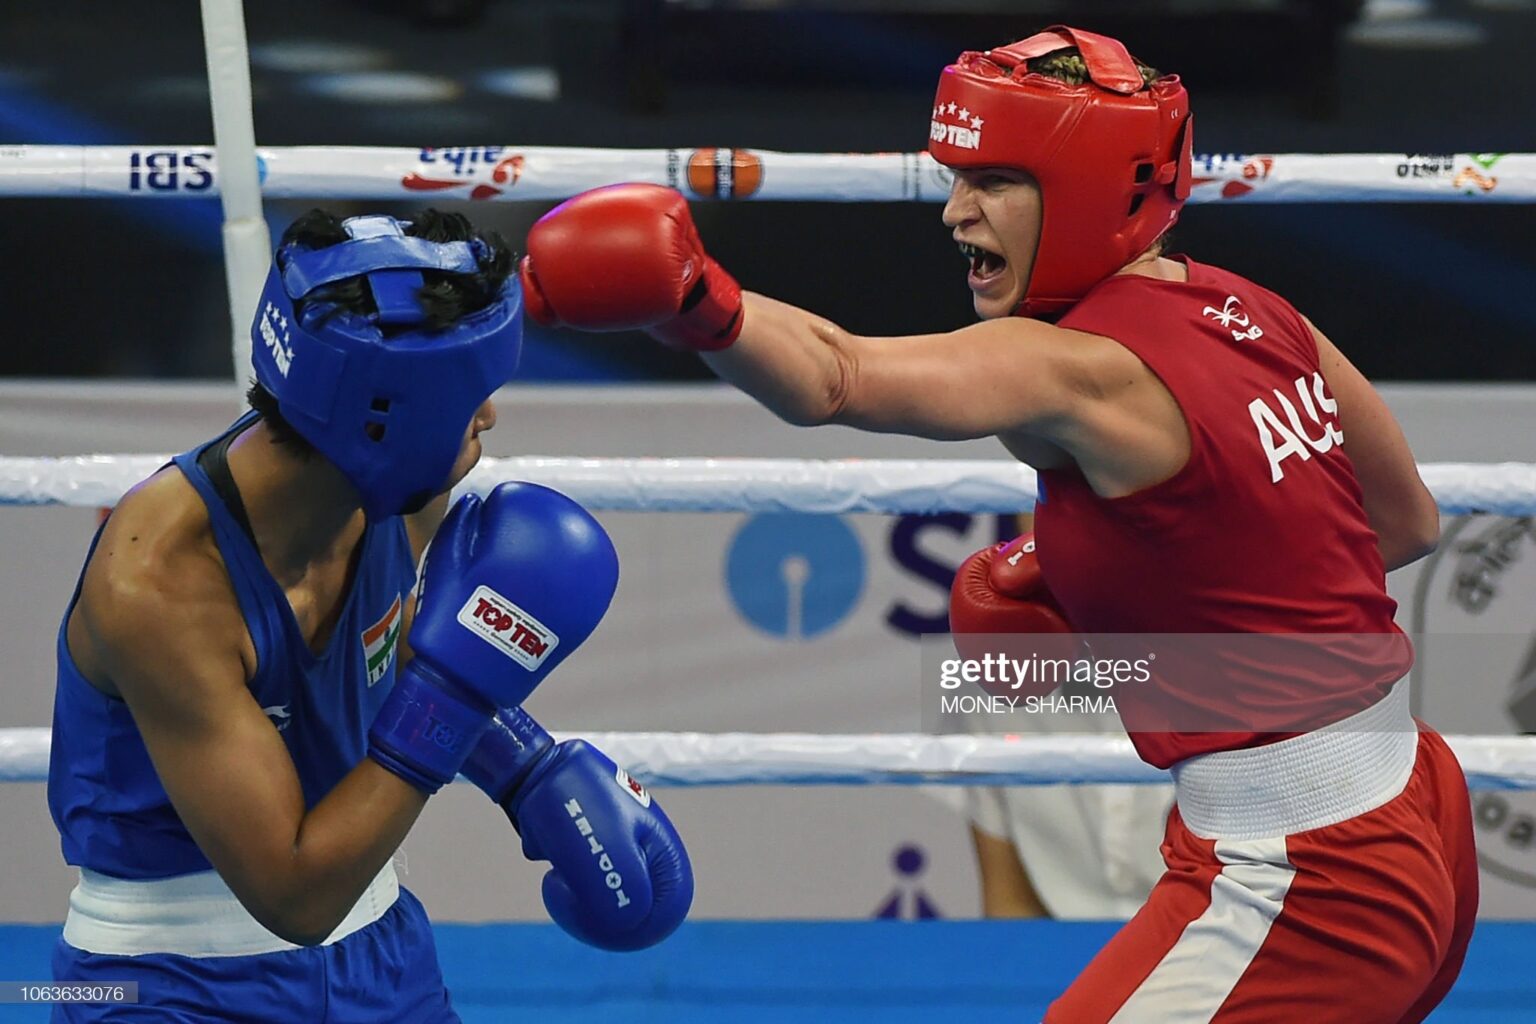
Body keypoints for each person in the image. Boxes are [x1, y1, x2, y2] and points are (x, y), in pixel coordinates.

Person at [513, 25, 1477, 1022]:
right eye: (958, 176)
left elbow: (839, 375)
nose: (956, 212)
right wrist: (1139, 601)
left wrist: (699, 304)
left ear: (1095, 189)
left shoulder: (1072, 366)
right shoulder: (1262, 313)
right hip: (1415, 798)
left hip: (1312, 869)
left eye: (998, 181)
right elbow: (1401, 521)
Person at [48, 209, 693, 1022]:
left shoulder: (399, 497)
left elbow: (408, 669)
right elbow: (294, 893)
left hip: (380, 953)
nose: (488, 418)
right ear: (390, 416)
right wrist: (458, 698)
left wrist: (522, 768)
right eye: (472, 396)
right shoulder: (161, 585)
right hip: (170, 983)